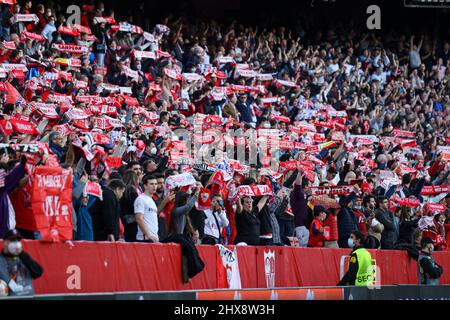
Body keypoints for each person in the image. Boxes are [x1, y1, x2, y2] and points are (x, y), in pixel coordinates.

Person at [0, 229, 43, 296]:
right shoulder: (1, 260)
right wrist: (15, 287)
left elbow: (38, 273)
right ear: (4, 243)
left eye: (18, 240)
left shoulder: (23, 257)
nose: (16, 243)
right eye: (13, 240)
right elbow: (5, 277)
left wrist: (22, 254)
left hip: (29, 297)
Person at [134, 174, 159, 243]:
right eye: (151, 184)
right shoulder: (141, 199)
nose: (154, 186)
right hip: (144, 239)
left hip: (154, 237)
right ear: (145, 186)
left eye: (156, 184)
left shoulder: (152, 200)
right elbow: (139, 218)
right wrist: (148, 235)